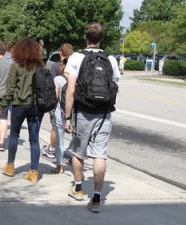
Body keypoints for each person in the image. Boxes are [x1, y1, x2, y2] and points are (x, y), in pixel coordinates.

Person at [64, 23, 120, 213]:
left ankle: (78, 188)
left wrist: (67, 116)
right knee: (100, 154)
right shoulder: (111, 60)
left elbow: (70, 91)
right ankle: (96, 198)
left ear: (86, 37)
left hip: (83, 112)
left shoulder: (76, 58)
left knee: (78, 151)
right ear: (101, 38)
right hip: (104, 113)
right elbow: (114, 85)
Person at [0, 37, 44, 184]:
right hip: (36, 107)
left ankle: (10, 166)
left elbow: (9, 90)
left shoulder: (16, 66)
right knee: (34, 139)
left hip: (19, 105)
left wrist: (0, 107)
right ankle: (34, 172)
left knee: (14, 134)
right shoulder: (41, 67)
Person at [51, 43, 74, 174]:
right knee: (74, 138)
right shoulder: (76, 80)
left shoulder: (58, 79)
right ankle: (74, 160)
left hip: (61, 112)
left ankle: (59, 166)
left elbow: (55, 98)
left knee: (60, 140)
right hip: (74, 113)